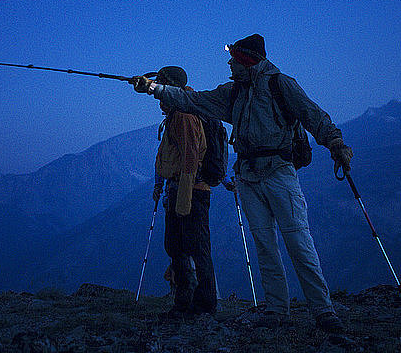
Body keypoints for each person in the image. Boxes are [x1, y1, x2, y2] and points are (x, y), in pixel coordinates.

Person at [131, 35, 353, 333]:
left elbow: (311, 114)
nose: (229, 64)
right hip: (249, 174)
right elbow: (193, 100)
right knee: (266, 245)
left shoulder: (280, 85)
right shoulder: (233, 92)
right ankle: (277, 309)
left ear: (247, 61)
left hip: (278, 172)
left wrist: (335, 141)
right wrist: (155, 89)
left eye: (233, 60)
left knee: (297, 241)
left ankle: (323, 310)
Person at [151, 66, 217, 319]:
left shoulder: (184, 115)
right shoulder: (178, 113)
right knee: (177, 246)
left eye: (161, 84)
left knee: (196, 247)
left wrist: (184, 198)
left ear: (170, 86)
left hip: (190, 190)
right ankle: (185, 301)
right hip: (181, 188)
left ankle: (203, 305)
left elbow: (190, 156)